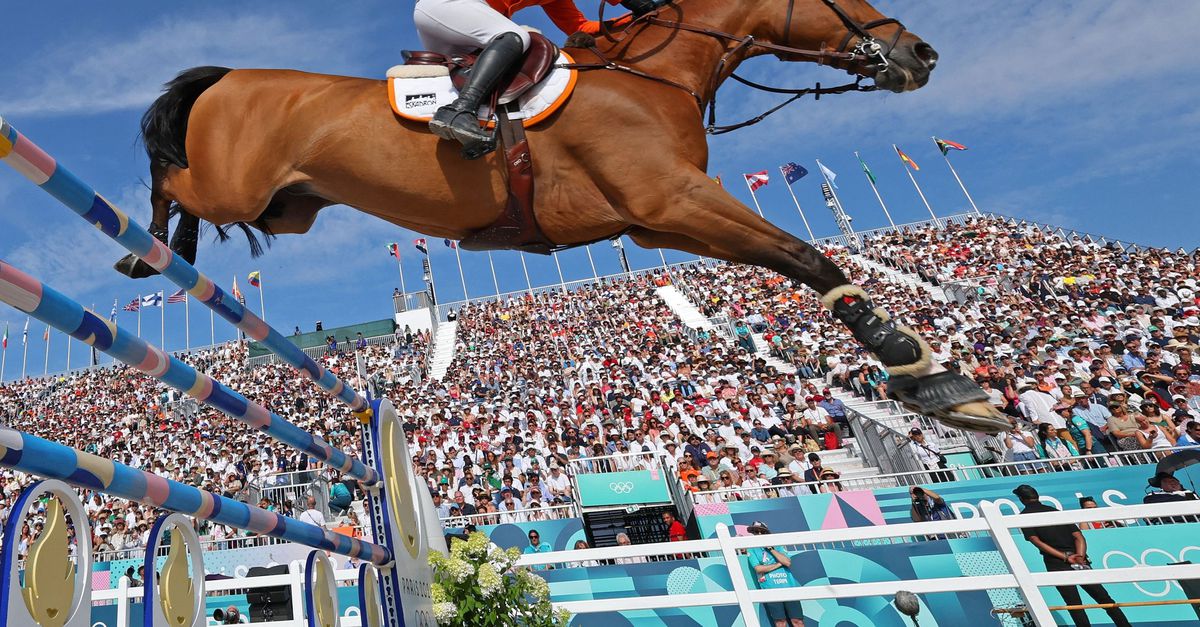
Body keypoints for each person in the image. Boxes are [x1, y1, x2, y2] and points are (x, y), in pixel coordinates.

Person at [414, 0, 661, 156]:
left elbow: (580, 27)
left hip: (460, 21)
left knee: (492, 69)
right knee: (517, 37)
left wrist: (633, 17)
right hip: (448, 5)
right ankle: (459, 111)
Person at [1013, 485, 1132, 627]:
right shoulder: (1055, 511)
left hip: (1055, 563)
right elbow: (1079, 536)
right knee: (1104, 599)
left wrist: (1064, 557)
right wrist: (1080, 557)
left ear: (1021, 499)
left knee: (1074, 605)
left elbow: (1036, 541)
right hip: (1079, 559)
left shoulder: (1024, 516)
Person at [747, 521, 803, 627]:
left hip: (788, 587)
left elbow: (787, 562)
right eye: (755, 532)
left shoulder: (777, 546)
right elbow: (758, 569)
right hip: (770, 590)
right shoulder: (752, 549)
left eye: (761, 532)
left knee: (797, 621)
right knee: (780, 622)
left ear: (766, 533)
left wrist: (771, 549)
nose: (758, 534)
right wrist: (778, 564)